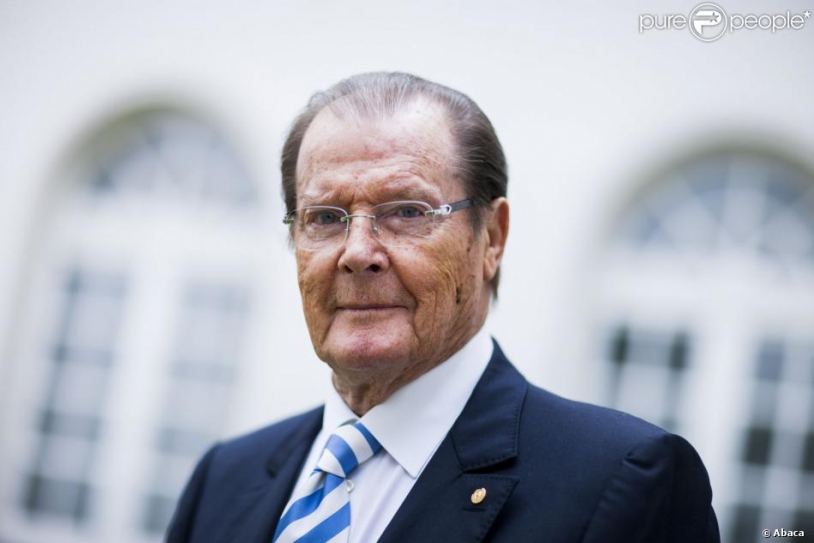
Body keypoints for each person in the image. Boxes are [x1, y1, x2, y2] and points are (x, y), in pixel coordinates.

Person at [166, 72, 720, 543]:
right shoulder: (224, 480)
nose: (357, 253)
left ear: (492, 238)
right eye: (326, 218)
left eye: (407, 211)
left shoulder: (622, 481)